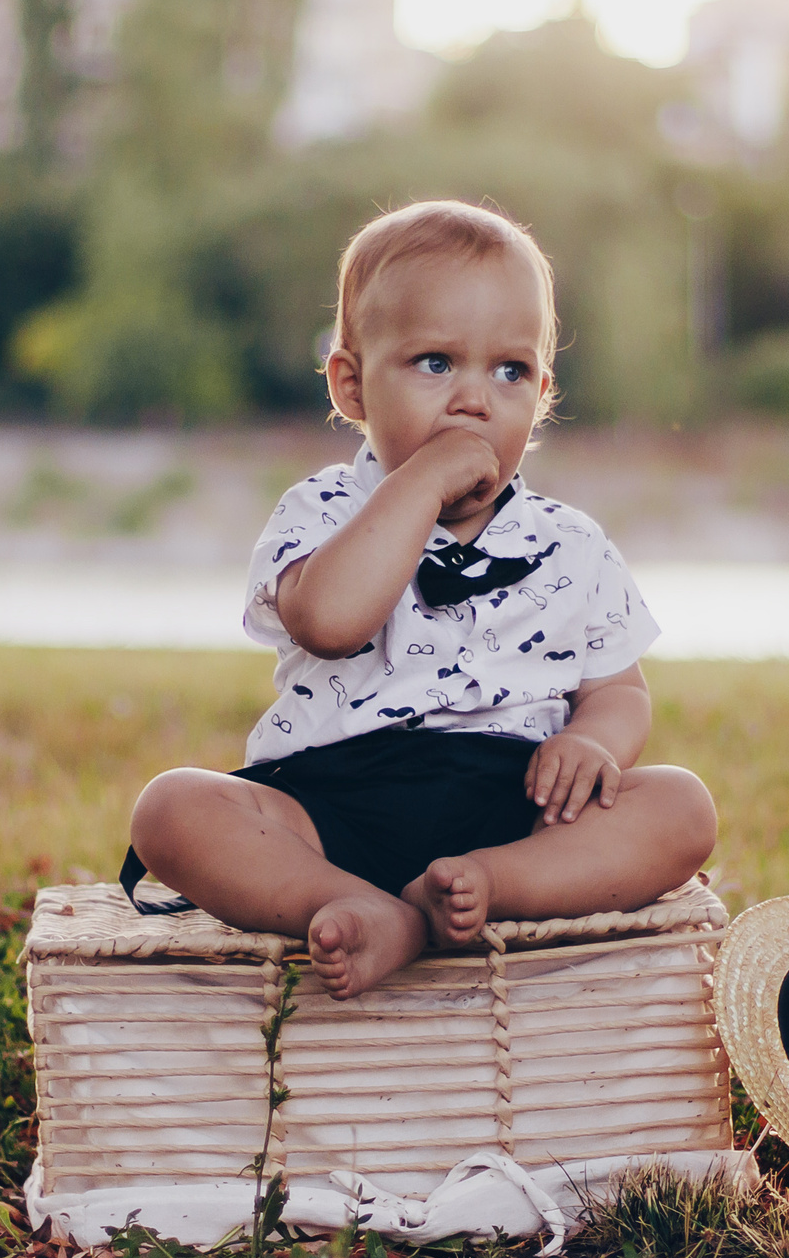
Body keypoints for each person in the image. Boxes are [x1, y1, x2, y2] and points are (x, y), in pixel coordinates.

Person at [127, 200, 717, 1000]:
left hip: (515, 809)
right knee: (172, 809)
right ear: (352, 385)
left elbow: (618, 689)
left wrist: (597, 744)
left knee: (681, 807)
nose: (474, 399)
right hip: (331, 804)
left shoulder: (572, 543)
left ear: (541, 396)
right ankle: (350, 905)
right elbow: (331, 623)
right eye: (436, 363)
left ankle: (484, 889)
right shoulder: (321, 510)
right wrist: (425, 482)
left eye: (509, 372)